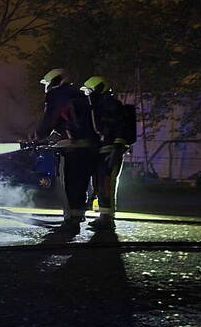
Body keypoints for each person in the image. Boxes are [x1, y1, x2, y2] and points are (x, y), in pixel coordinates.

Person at [34, 68, 100, 227]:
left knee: (67, 183)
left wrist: (39, 135)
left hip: (70, 146)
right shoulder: (80, 95)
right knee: (81, 182)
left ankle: (70, 219)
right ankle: (78, 216)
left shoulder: (57, 94)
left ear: (54, 81)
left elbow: (51, 116)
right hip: (88, 146)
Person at [81, 76, 132, 229]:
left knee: (106, 184)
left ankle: (106, 219)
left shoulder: (111, 105)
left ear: (97, 89)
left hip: (110, 150)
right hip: (104, 150)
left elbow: (119, 127)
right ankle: (104, 216)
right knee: (102, 183)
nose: (87, 95)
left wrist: (117, 147)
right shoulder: (99, 105)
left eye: (89, 91)